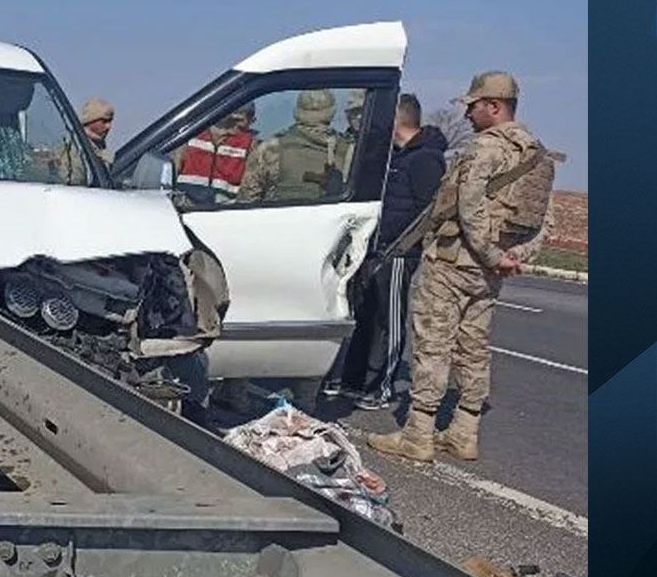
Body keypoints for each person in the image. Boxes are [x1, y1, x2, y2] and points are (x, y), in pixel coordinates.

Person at [367, 72, 553, 463]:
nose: (468, 113)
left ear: (495, 106)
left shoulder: (484, 149)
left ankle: (419, 434)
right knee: (474, 346)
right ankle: (465, 432)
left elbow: (468, 207)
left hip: (454, 262)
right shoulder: (536, 153)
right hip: (490, 271)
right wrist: (514, 257)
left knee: (434, 344)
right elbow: (542, 218)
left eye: (474, 105)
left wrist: (489, 252)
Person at [321, 93, 447, 408]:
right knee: (362, 314)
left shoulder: (426, 159)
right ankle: (353, 379)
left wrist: (399, 246)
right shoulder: (394, 156)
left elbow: (426, 213)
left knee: (388, 321)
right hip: (374, 250)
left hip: (398, 254)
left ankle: (381, 386)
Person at [236, 90, 345, 203]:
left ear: (296, 111)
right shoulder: (351, 150)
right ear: (332, 112)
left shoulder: (271, 148)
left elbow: (246, 200)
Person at [171, 103, 256, 204]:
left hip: (223, 213)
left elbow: (251, 190)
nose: (235, 126)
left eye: (240, 122)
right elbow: (171, 173)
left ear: (251, 122)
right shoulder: (190, 136)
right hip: (185, 208)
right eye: (232, 119)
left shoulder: (250, 145)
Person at [53, 97, 115, 184]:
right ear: (91, 121)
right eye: (104, 121)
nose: (109, 126)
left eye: (110, 121)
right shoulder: (75, 149)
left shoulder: (99, 149)